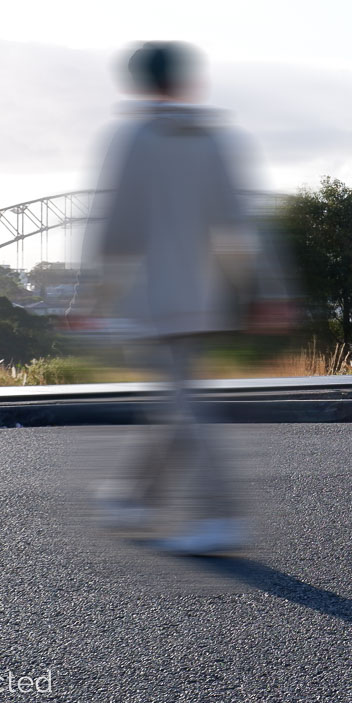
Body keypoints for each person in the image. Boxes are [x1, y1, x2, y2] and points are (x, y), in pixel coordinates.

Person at [87, 41, 273, 555]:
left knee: (182, 407)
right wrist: (259, 291)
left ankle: (219, 514)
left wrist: (93, 294)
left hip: (152, 297)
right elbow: (237, 221)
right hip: (202, 297)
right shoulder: (211, 138)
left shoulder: (134, 136)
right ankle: (131, 497)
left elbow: (116, 228)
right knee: (176, 399)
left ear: (138, 82)